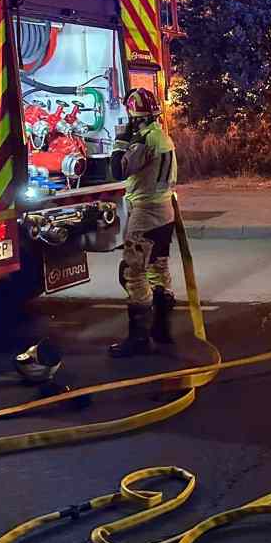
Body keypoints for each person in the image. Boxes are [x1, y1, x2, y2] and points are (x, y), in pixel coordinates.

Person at [108, 87, 178, 357]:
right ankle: (162, 331)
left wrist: (119, 143)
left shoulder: (143, 142)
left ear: (135, 116)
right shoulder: (163, 137)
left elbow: (117, 171)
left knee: (132, 272)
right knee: (159, 269)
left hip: (145, 214)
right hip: (165, 212)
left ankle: (138, 339)